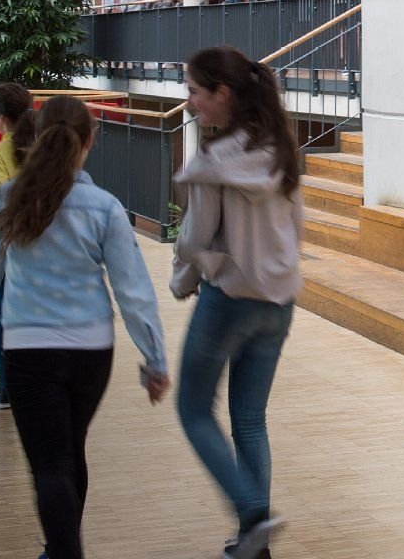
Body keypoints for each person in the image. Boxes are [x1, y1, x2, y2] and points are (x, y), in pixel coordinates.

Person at [0, 98, 170, 559]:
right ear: (90, 141)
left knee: (51, 462)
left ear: (35, 136)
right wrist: (154, 359)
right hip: (92, 351)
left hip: (27, 349)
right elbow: (133, 290)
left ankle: (64, 552)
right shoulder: (105, 207)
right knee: (70, 450)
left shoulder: (9, 198)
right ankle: (61, 549)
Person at [172, 47, 303, 559]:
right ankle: (256, 544)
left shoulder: (214, 161)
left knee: (193, 409)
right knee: (250, 419)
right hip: (279, 301)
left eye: (194, 92)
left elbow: (194, 238)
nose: (190, 102)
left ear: (222, 93)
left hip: (229, 300)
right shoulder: (279, 148)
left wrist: (184, 278)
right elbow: (295, 226)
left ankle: (252, 512)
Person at [0, 82, 37, 412]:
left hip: (11, 249)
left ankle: (7, 388)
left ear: (1, 117)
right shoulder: (45, 148)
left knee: (8, 316)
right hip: (47, 245)